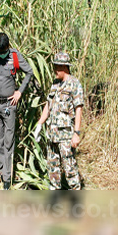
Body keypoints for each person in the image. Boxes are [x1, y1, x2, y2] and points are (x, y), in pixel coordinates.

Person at [0, 33, 33, 190]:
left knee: (8, 141)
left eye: (4, 50)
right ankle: (1, 171)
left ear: (8, 46)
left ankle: (7, 178)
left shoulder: (15, 56)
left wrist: (20, 92)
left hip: (9, 106)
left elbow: (29, 72)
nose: (2, 53)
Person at [34, 52, 83, 190]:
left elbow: (79, 109)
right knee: (53, 167)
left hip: (66, 136)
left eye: (57, 67)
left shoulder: (74, 84)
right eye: (54, 66)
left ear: (65, 67)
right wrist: (40, 124)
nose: (54, 70)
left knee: (70, 169)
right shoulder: (55, 84)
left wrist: (76, 133)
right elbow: (48, 105)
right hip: (52, 135)